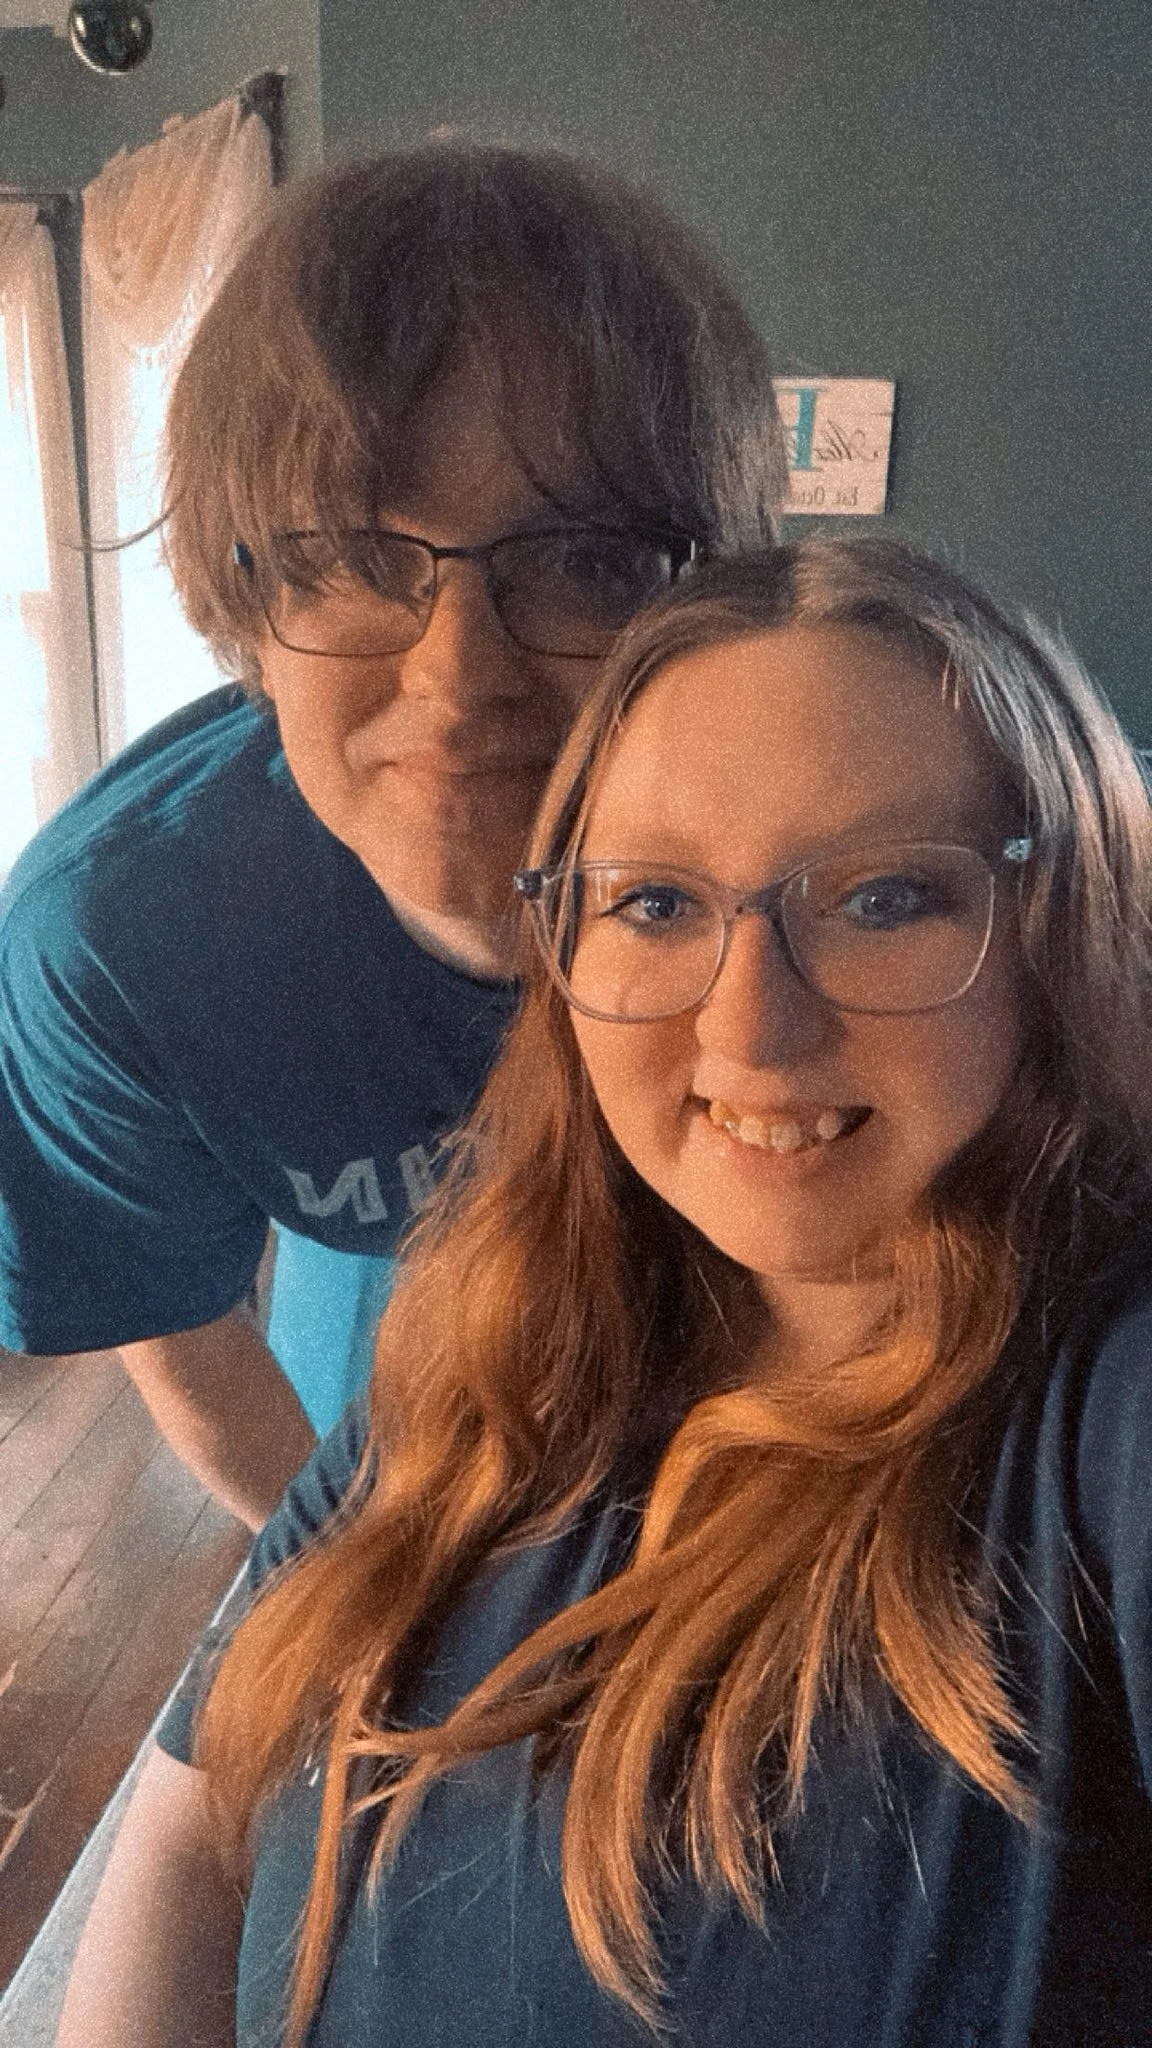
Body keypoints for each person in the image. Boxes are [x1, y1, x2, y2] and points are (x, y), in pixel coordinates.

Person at [57, 538, 1152, 2046]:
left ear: (1057, 928)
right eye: (653, 904)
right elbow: (192, 1821)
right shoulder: (490, 1351)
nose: (753, 1027)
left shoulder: (1103, 1419)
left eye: (887, 896)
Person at [0, 144, 785, 1528]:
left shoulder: (838, 852)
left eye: (585, 558)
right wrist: (370, 1593)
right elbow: (175, 1319)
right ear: (241, 598)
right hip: (372, 1328)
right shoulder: (116, 944)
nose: (461, 677)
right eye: (357, 557)